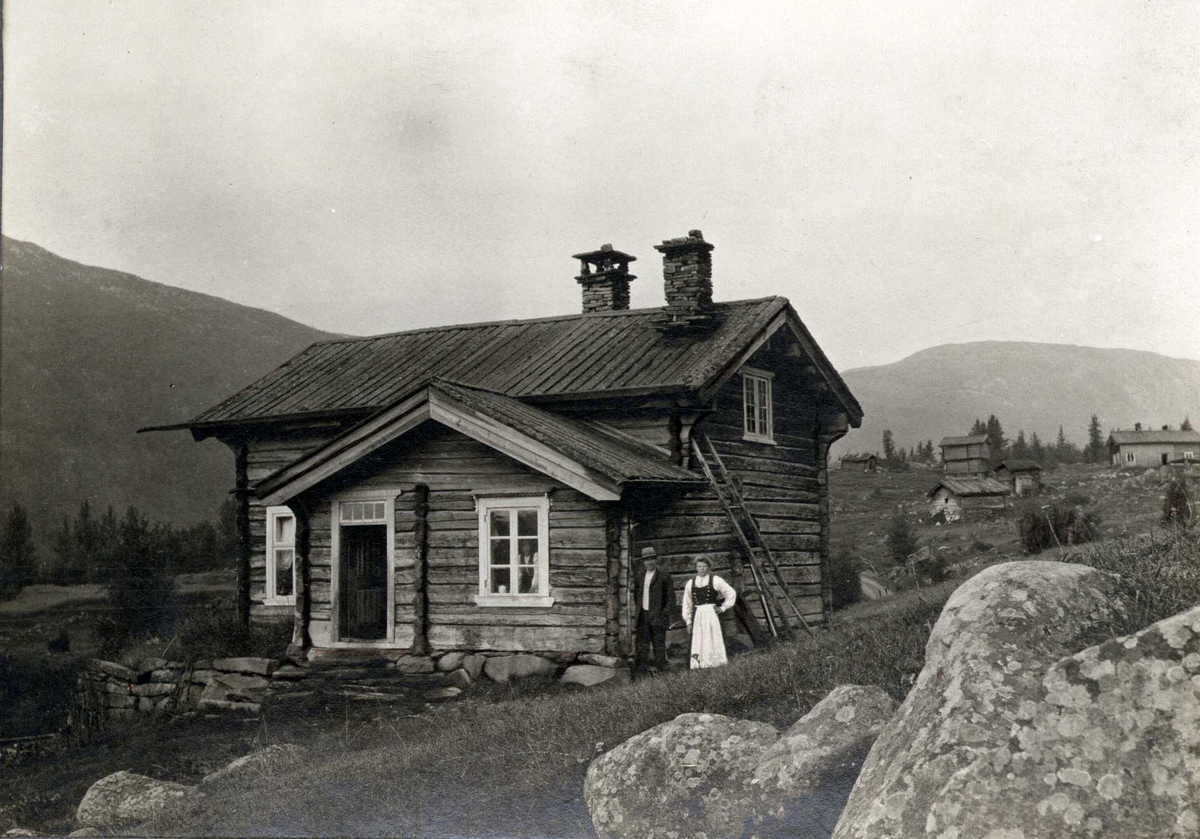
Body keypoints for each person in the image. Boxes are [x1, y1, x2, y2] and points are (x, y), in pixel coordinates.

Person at [682, 557, 736, 669]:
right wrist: (688, 621)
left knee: (713, 637)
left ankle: (716, 662)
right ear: (695, 568)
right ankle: (699, 664)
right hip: (698, 615)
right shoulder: (690, 583)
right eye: (699, 566)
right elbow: (687, 604)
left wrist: (723, 607)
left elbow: (731, 593)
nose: (702, 569)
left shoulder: (715, 580)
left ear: (708, 567)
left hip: (712, 614)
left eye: (704, 566)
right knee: (699, 638)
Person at [632, 546, 675, 677]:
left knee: (659, 647)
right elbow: (637, 597)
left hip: (658, 617)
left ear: (655, 560)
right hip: (643, 617)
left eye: (651, 559)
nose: (649, 562)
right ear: (643, 562)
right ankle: (642, 676)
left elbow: (671, 599)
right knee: (642, 648)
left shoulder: (664, 576)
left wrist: (664, 614)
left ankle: (663, 675)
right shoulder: (639, 577)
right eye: (646, 560)